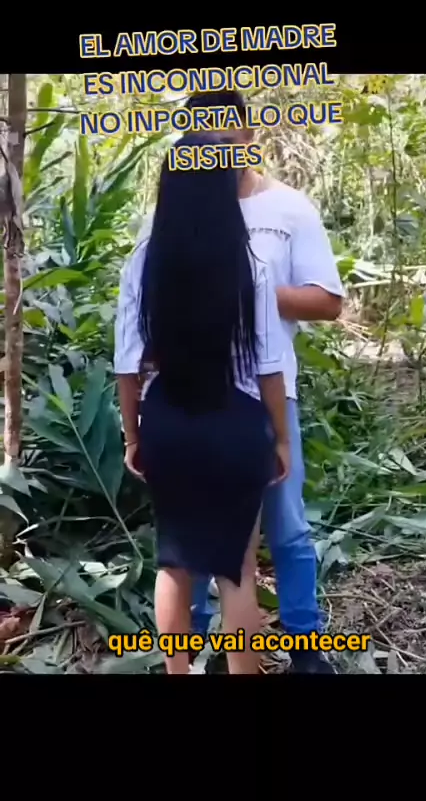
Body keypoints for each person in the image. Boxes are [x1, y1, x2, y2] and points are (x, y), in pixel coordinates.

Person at [114, 131, 290, 675]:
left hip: (167, 421)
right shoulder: (251, 265)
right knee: (237, 571)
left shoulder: (142, 263)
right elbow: (269, 367)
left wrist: (133, 436)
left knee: (174, 564)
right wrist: (282, 439)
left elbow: (127, 365)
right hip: (236, 424)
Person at [182, 90, 345, 674]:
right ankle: (193, 638)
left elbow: (327, 301)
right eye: (204, 142)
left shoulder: (289, 209)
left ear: (250, 137)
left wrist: (247, 292)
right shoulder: (178, 211)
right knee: (194, 526)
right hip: (193, 395)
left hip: (269, 393)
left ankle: (306, 643)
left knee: (287, 525)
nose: (216, 152)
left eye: (226, 139)